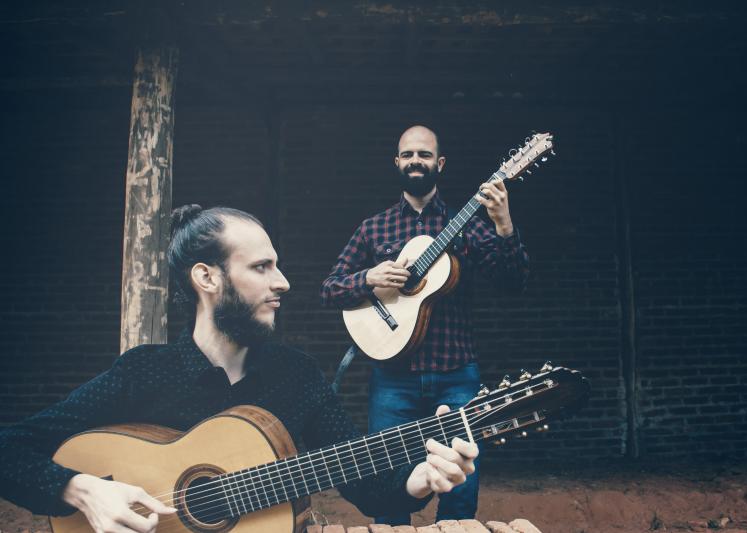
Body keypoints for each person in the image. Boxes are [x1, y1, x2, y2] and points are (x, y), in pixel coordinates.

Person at [0, 205, 478, 533]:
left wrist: (421, 480)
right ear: (207, 277)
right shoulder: (143, 372)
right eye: (262, 267)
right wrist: (81, 491)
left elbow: (371, 489)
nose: (284, 283)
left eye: (279, 266)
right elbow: (9, 450)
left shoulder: (297, 376)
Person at [320, 125, 530, 525]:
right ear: (397, 162)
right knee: (389, 481)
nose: (416, 160)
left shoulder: (465, 223)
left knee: (460, 483)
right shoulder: (374, 228)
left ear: (440, 163)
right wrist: (367, 279)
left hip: (456, 373)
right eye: (408, 154)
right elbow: (329, 290)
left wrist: (503, 224)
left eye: (425, 154)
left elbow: (512, 282)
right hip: (392, 377)